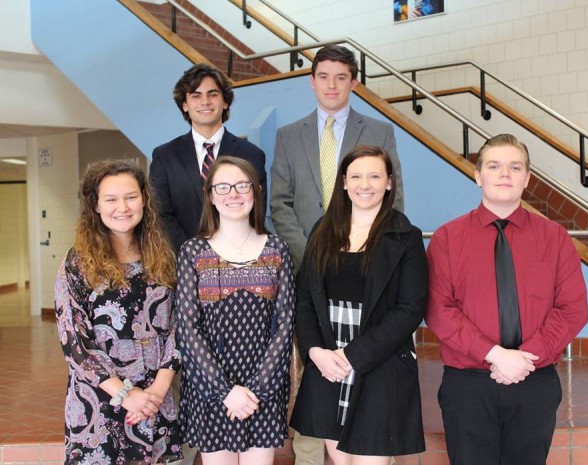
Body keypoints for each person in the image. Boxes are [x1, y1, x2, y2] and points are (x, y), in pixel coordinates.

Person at [425, 134, 588, 465]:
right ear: (477, 175)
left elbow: (573, 308)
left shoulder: (554, 237)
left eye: (515, 167)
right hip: (468, 386)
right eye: (494, 166)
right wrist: (496, 355)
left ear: (527, 179)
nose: (504, 174)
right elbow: (439, 310)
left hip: (534, 380)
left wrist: (524, 358)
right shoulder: (447, 238)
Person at [290, 145, 427, 465]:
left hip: (378, 362)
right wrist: (314, 351)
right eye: (357, 176)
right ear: (344, 182)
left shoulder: (406, 237)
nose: (365, 184)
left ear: (389, 182)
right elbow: (305, 297)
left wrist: (353, 355)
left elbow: (410, 309)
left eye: (375, 176)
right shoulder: (322, 231)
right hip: (328, 362)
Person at [54, 160, 182, 465]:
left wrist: (157, 390)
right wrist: (128, 395)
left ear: (144, 200)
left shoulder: (164, 257)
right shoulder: (77, 265)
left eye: (131, 197)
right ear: (96, 206)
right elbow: (75, 344)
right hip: (100, 405)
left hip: (155, 400)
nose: (122, 207)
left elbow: (181, 327)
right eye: (111, 199)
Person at [175, 156, 295, 465]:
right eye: (223, 186)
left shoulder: (277, 249)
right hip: (211, 389)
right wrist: (225, 391)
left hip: (263, 392)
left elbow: (285, 325)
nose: (233, 194)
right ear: (211, 195)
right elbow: (188, 329)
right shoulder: (193, 251)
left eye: (242, 185)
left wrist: (256, 390)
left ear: (255, 192)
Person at [270, 44, 404, 271]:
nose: (331, 85)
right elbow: (280, 203)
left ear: (353, 84)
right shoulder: (287, 136)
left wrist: (369, 251)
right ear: (312, 82)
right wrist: (308, 254)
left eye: (340, 78)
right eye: (323, 77)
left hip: (364, 260)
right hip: (304, 262)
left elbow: (394, 198)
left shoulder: (380, 132)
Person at [150, 63, 267, 255]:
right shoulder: (164, 156)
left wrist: (225, 256)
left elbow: (255, 211)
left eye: (213, 94)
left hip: (238, 259)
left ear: (225, 102)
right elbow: (161, 215)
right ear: (185, 104)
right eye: (196, 96)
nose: (205, 102)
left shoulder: (251, 155)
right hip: (181, 262)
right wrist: (193, 254)